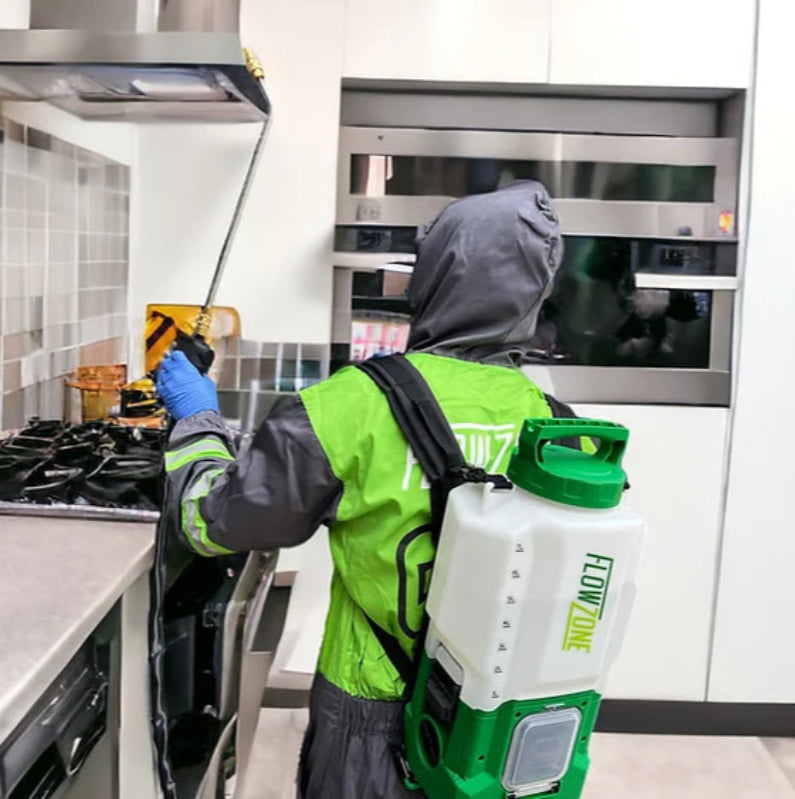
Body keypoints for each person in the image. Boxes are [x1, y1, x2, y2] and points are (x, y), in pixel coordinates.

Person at [157, 180, 585, 799]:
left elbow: (214, 525)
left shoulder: (354, 405)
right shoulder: (558, 425)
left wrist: (197, 418)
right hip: (503, 722)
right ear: (536, 290)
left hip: (370, 712)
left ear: (434, 276)